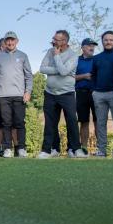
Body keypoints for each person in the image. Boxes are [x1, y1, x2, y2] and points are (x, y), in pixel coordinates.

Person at [39, 30, 85, 158]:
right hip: (50, 93)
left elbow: (64, 72)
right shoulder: (50, 51)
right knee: (50, 122)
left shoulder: (73, 55)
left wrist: (57, 57)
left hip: (67, 93)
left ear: (64, 41)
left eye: (56, 39)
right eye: (53, 39)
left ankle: (75, 149)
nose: (53, 41)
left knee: (71, 121)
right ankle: (50, 149)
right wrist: (58, 69)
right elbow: (42, 68)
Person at [0, 31, 33, 157]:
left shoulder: (23, 56)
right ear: (4, 42)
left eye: (12, 40)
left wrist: (28, 92)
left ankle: (21, 148)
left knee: (19, 122)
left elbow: (28, 76)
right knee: (6, 122)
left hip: (19, 95)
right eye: (7, 40)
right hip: (2, 95)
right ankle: (7, 148)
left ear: (16, 41)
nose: (10, 42)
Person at [91, 31, 113, 157]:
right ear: (102, 41)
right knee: (100, 123)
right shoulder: (96, 58)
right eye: (106, 40)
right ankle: (101, 149)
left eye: (111, 40)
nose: (108, 42)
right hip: (99, 94)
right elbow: (93, 76)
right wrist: (94, 91)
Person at [74, 38, 98, 152]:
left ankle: (101, 148)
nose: (92, 47)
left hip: (96, 94)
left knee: (98, 121)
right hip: (81, 93)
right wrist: (84, 76)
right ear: (83, 47)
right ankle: (84, 147)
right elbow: (69, 78)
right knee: (84, 121)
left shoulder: (97, 60)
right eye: (89, 45)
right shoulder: (75, 60)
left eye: (93, 45)